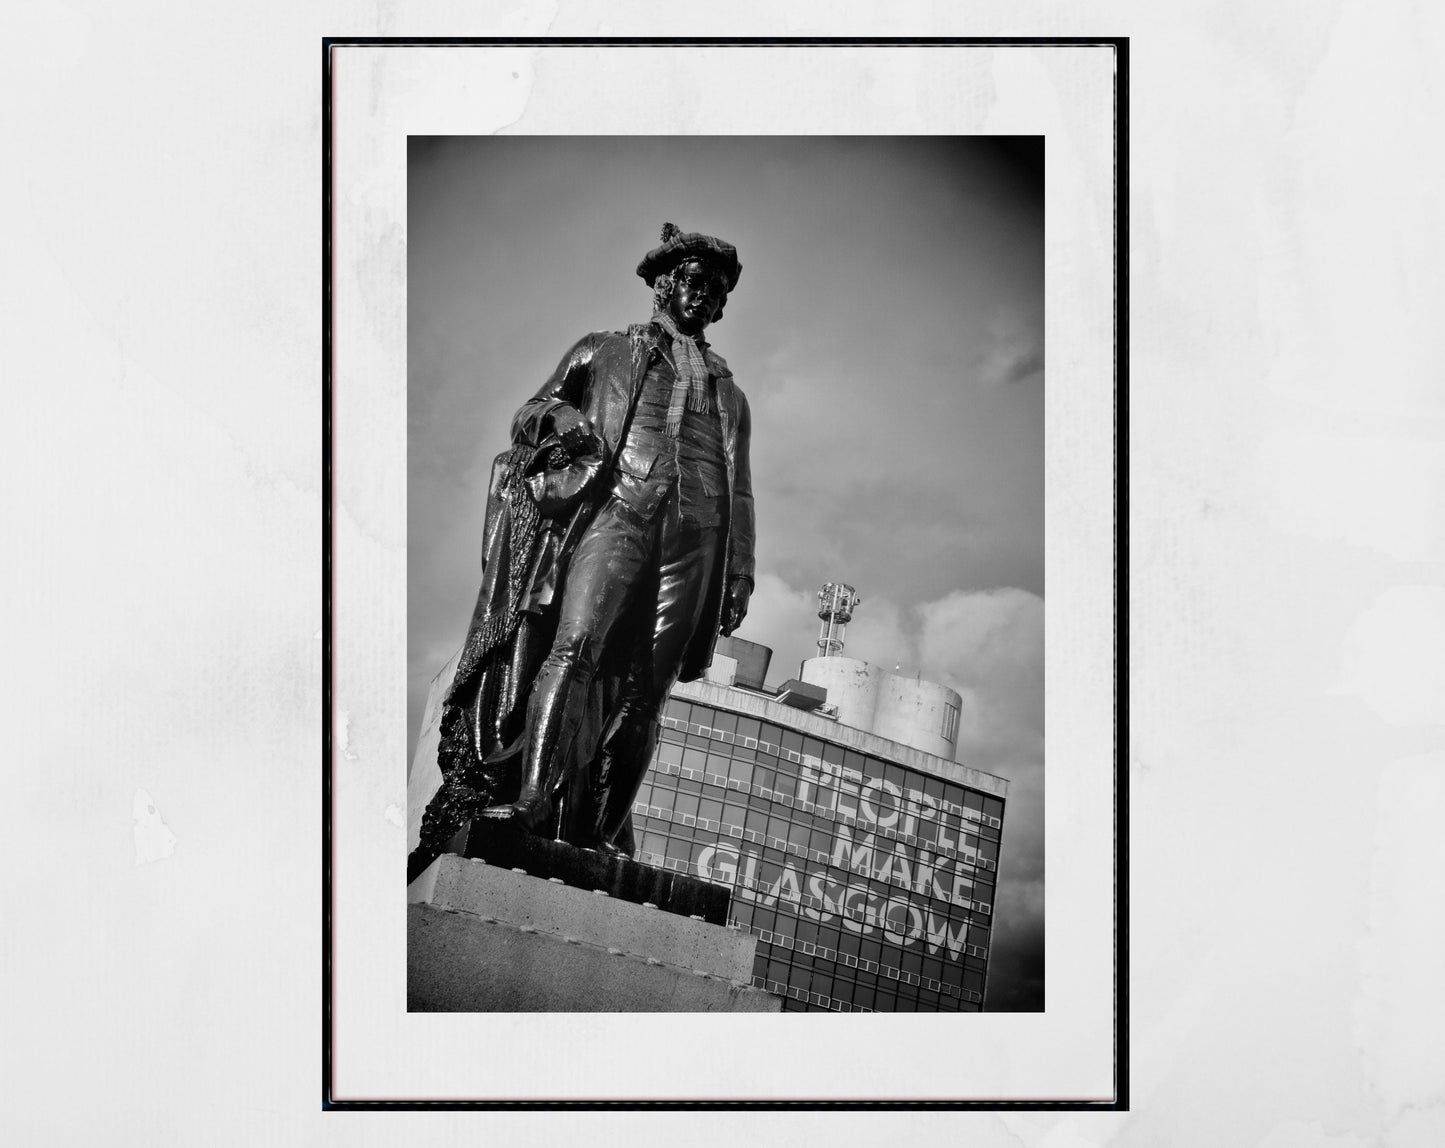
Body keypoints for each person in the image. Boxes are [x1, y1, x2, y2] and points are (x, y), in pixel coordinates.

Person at [411, 223, 754, 870]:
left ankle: (601, 831)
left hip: (697, 538)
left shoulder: (729, 395)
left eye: (716, 290)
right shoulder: (603, 350)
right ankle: (535, 800)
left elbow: (742, 489)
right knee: (573, 648)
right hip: (617, 510)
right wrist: (564, 418)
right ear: (663, 285)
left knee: (648, 694)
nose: (704, 297)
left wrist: (740, 571)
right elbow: (533, 408)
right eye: (693, 282)